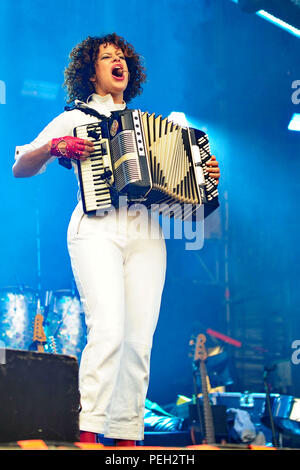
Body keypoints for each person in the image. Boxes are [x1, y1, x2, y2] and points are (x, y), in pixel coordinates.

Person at [13, 33, 220, 446]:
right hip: (97, 228)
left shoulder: (152, 126)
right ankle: (87, 432)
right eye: (107, 57)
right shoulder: (75, 117)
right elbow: (21, 165)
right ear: (92, 71)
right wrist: (55, 146)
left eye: (122, 56)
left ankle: (127, 439)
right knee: (108, 332)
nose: (117, 60)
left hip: (147, 232)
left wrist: (204, 176)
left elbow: (185, 191)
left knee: (138, 341)